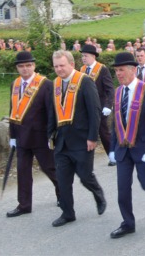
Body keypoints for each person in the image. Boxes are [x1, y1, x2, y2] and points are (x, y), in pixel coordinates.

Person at [108, 52, 145, 239]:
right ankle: (128, 223)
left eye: (122, 70)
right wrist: (111, 148)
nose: (118, 74)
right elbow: (115, 124)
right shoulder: (118, 92)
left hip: (143, 149)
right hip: (123, 150)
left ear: (133, 70)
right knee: (123, 189)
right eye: (116, 70)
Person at [48, 50, 106, 227]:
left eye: (62, 65)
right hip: (62, 142)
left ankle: (98, 193)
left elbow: (94, 111)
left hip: (82, 140)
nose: (59, 69)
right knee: (63, 180)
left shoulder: (85, 81)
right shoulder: (55, 84)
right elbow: (53, 112)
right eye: (56, 66)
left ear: (71, 64)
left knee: (85, 176)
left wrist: (92, 137)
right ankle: (68, 213)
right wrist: (49, 134)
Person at [6, 51, 60, 217]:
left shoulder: (45, 85)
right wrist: (12, 135)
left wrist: (52, 135)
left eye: (28, 65)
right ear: (17, 68)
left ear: (34, 66)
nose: (25, 69)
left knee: (49, 168)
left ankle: (62, 194)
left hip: (40, 136)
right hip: (22, 136)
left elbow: (52, 112)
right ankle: (24, 205)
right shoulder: (15, 84)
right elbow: (13, 111)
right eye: (21, 66)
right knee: (23, 171)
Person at [80, 44, 116, 166]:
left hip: (100, 107)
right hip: (85, 107)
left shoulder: (102, 69)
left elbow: (110, 89)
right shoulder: (82, 70)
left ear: (93, 56)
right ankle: (85, 160)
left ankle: (113, 155)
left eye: (86, 56)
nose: (83, 58)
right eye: (82, 56)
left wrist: (108, 105)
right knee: (85, 133)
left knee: (103, 132)